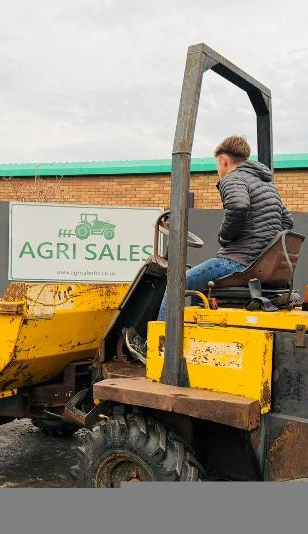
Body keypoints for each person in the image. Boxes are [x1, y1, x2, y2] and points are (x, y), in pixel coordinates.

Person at [125, 134, 294, 364]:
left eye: (218, 165)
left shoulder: (233, 179)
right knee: (199, 291)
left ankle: (156, 350)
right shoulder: (267, 185)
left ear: (224, 160)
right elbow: (288, 223)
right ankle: (190, 346)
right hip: (260, 265)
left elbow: (238, 205)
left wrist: (225, 236)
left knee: (177, 283)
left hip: (238, 261)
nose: (219, 170)